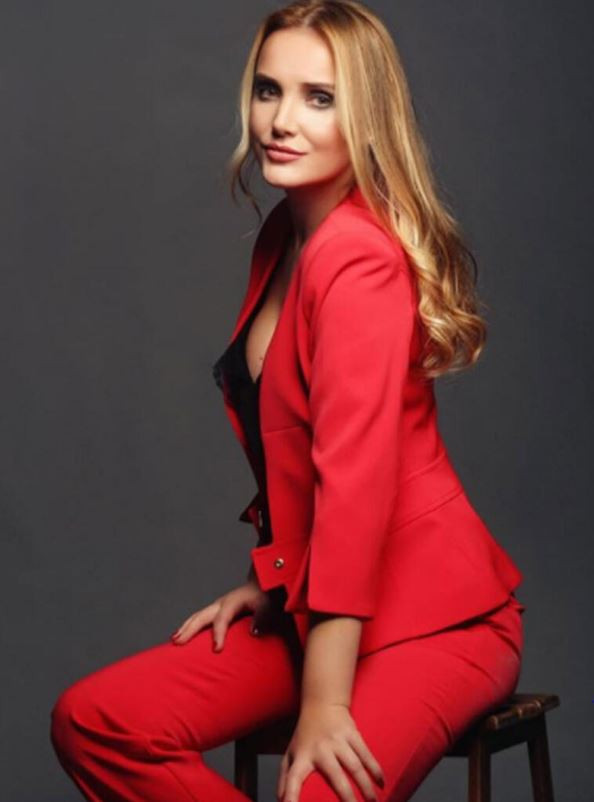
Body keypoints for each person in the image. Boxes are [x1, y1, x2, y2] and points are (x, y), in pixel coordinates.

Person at [50, 2, 526, 801]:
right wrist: (273, 575)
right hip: (319, 604)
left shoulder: (360, 261)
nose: (280, 121)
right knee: (96, 722)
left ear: (367, 116)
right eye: (269, 90)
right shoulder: (285, 237)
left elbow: (356, 491)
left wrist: (325, 704)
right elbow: (297, 449)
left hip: (440, 621)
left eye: (319, 98)